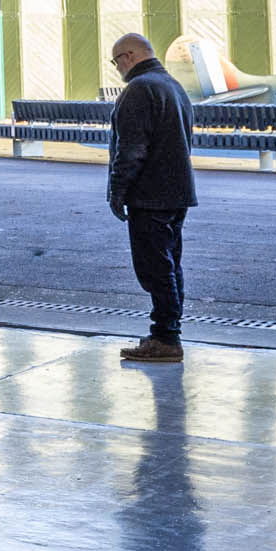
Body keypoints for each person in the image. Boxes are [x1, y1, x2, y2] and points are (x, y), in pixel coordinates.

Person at [108, 32, 198, 365]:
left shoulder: (139, 89)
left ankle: (166, 339)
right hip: (176, 193)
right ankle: (167, 331)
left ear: (128, 57)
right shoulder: (173, 86)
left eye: (116, 61)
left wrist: (118, 192)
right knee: (170, 265)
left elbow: (131, 150)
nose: (117, 68)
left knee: (155, 268)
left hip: (150, 196)